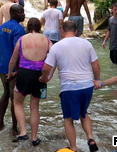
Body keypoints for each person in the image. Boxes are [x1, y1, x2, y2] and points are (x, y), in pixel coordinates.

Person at [39, 21, 100, 152]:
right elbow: (95, 64)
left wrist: (45, 77)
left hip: (70, 87)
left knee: (68, 118)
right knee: (84, 113)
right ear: (76, 31)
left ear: (62, 31)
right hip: (87, 86)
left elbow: (46, 67)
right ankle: (90, 138)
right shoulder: (86, 43)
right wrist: (97, 80)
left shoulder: (56, 46)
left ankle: (73, 148)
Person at [7, 18, 53, 146]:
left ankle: (22, 132)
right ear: (39, 27)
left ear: (28, 27)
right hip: (40, 75)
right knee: (34, 107)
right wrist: (49, 75)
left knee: (17, 103)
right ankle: (34, 137)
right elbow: (54, 57)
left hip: (24, 74)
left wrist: (10, 74)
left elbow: (12, 60)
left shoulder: (22, 39)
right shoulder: (46, 40)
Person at [0, 4, 26, 135]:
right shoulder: (19, 29)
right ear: (14, 13)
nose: (23, 15)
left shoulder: (1, 27)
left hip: (2, 67)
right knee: (15, 99)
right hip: (14, 69)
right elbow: (18, 51)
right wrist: (16, 71)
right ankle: (14, 128)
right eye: (21, 12)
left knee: (5, 93)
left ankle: (1, 122)